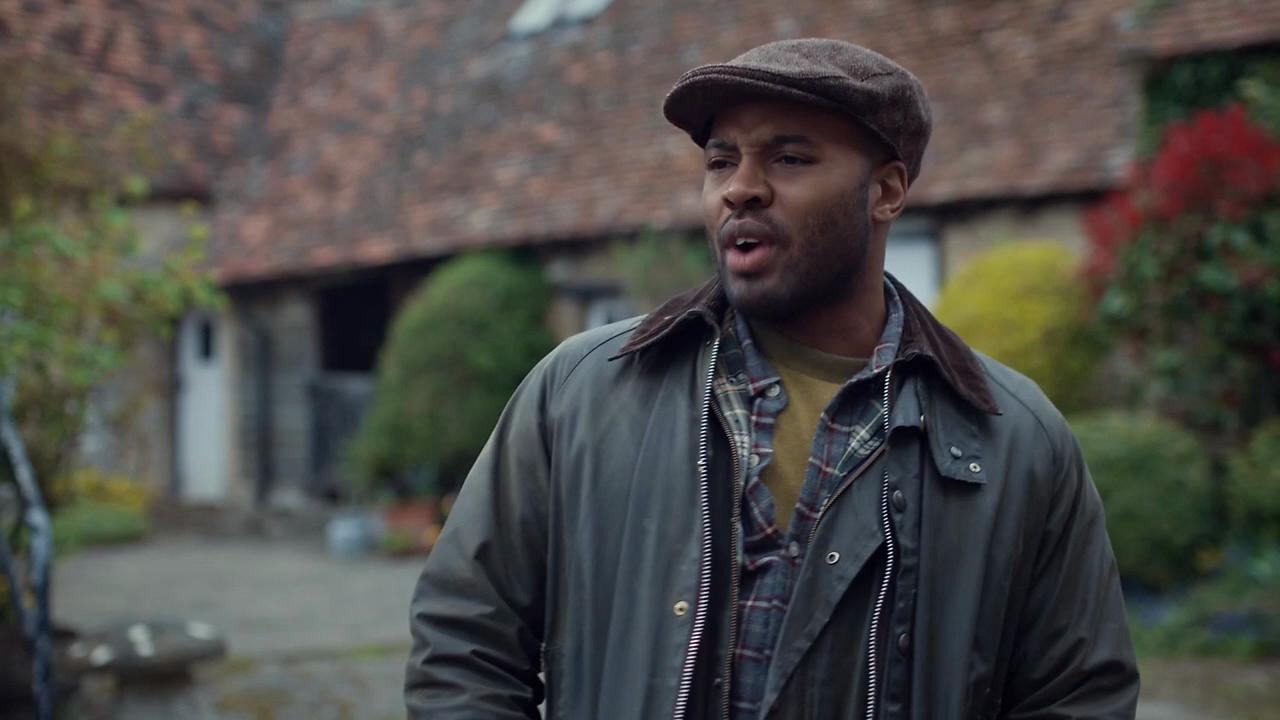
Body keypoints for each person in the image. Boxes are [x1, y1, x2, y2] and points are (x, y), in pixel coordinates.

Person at [405, 39, 1139, 720]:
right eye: (721, 162)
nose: (741, 189)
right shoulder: (578, 393)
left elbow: (1077, 698)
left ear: (886, 191)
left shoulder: (1015, 440)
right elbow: (464, 643)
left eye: (788, 159)